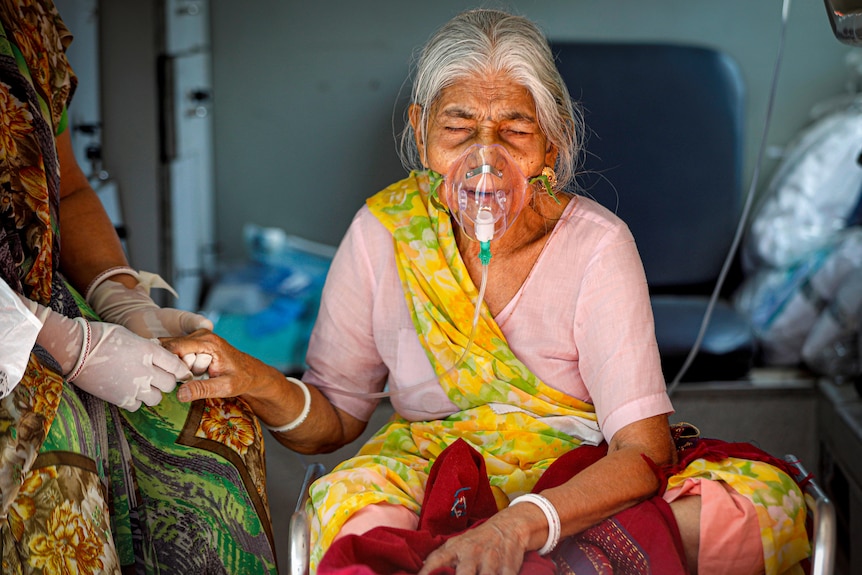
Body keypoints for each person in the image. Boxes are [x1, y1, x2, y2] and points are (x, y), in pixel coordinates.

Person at [163, 8, 811, 575]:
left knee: (766, 510)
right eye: (458, 127)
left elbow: (642, 453)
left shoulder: (596, 244)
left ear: (551, 141)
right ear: (421, 133)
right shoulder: (386, 232)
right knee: (350, 520)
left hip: (575, 474)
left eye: (513, 129)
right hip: (429, 464)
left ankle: (528, 556)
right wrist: (260, 379)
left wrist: (520, 524)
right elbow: (335, 417)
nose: (484, 157)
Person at [0, 1, 276, 573]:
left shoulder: (25, 17)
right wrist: (64, 342)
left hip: (44, 301)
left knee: (217, 424)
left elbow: (68, 187)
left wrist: (119, 296)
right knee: (56, 463)